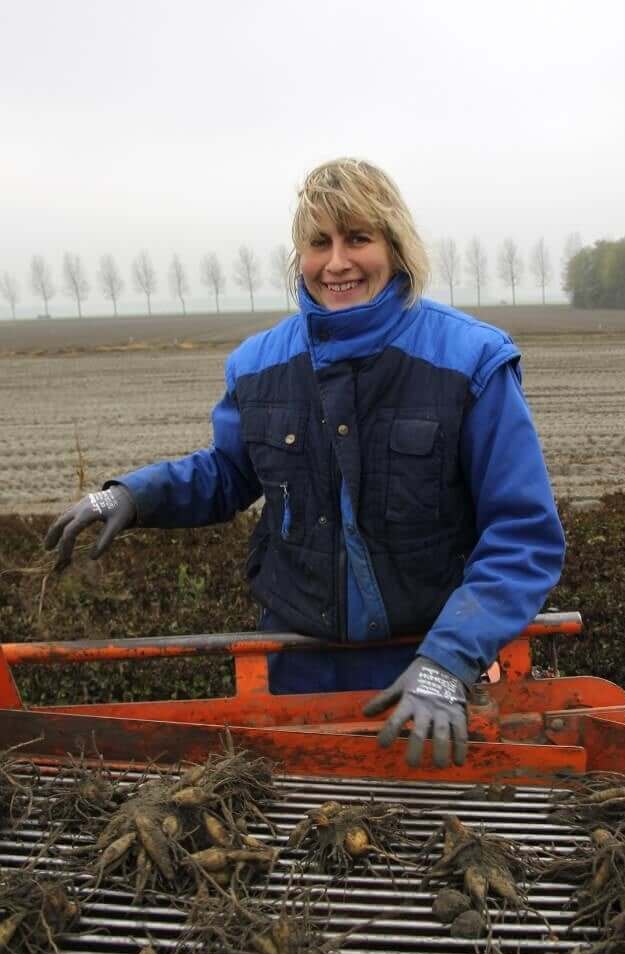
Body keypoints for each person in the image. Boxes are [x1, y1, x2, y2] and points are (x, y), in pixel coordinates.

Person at [45, 158, 565, 770]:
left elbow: (522, 533)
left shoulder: (471, 361)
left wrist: (449, 661)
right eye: (319, 243)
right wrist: (131, 494)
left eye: (358, 239)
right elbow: (229, 473)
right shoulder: (259, 365)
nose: (337, 262)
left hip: (427, 666)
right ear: (300, 257)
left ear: (396, 248)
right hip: (296, 664)